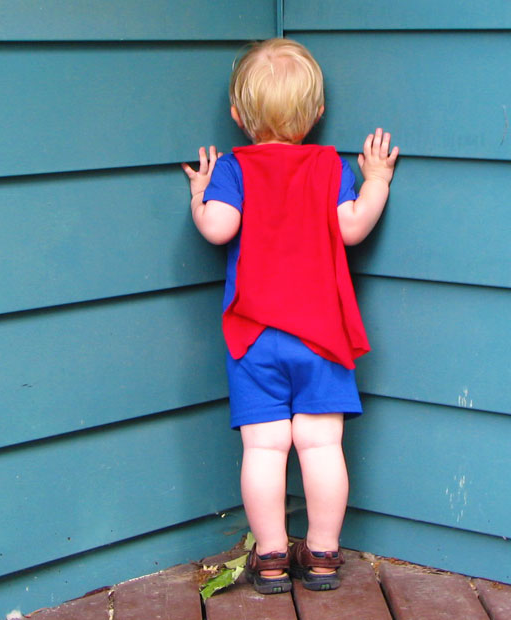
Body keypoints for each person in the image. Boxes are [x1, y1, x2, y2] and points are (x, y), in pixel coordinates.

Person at [181, 38, 397, 594]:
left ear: (237, 115)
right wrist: (377, 179)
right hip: (322, 336)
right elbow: (352, 227)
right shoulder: (328, 166)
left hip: (255, 337)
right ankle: (322, 554)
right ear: (317, 113)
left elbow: (218, 228)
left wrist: (201, 195)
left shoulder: (235, 168)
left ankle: (272, 555)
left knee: (264, 449)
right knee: (322, 447)